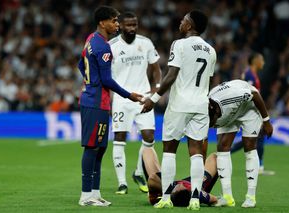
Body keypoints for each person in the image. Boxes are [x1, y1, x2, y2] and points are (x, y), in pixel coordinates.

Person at [141, 10, 216, 210]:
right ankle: (194, 199)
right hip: (201, 104)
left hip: (180, 104)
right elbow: (208, 80)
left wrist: (154, 99)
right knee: (197, 153)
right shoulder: (211, 50)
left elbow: (171, 75)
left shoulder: (180, 44)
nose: (180, 23)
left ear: (190, 25)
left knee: (169, 151)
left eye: (184, 20)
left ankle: (166, 198)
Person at [77, 6, 143, 207]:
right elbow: (107, 80)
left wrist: (89, 81)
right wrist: (129, 95)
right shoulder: (103, 47)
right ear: (102, 23)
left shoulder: (91, 39)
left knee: (100, 148)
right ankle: (85, 195)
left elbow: (81, 65)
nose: (117, 25)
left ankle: (95, 194)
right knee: (92, 148)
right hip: (96, 103)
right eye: (114, 21)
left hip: (98, 102)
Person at [109, 12, 162, 195]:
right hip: (122, 99)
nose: (132, 28)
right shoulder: (112, 46)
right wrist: (110, 100)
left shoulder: (145, 42)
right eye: (128, 25)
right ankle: (122, 183)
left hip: (143, 98)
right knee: (119, 139)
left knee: (149, 137)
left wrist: (155, 91)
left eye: (135, 25)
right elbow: (107, 77)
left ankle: (139, 172)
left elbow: (156, 69)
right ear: (120, 26)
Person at [207, 79, 273, 208]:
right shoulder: (207, 105)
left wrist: (266, 121)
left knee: (249, 147)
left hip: (248, 108)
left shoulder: (232, 96)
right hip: (229, 113)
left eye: (213, 122)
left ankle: (250, 197)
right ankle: (227, 197)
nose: (212, 126)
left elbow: (255, 95)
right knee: (222, 148)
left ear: (216, 113)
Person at [230, 53, 275, 175]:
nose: (263, 63)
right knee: (255, 137)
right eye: (262, 60)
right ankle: (226, 152)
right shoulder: (250, 75)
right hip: (250, 111)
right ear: (255, 61)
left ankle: (259, 166)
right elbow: (248, 94)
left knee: (256, 138)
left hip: (251, 111)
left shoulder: (251, 74)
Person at [142, 146, 218, 207]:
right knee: (216, 157)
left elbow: (152, 178)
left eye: (180, 186)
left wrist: (164, 188)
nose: (181, 184)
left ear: (173, 192)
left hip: (163, 189)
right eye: (184, 186)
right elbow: (214, 199)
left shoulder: (164, 193)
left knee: (147, 150)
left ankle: (138, 172)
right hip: (195, 183)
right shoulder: (197, 194)